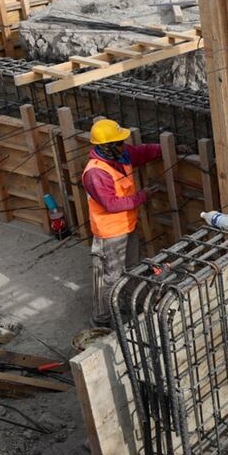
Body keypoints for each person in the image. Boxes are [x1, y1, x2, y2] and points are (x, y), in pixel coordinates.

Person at [83, 119, 163, 327]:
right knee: (110, 277)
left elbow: (140, 152)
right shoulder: (96, 173)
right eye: (119, 142)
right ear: (107, 147)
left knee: (132, 268)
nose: (123, 145)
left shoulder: (120, 155)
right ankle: (102, 320)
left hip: (128, 226)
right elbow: (111, 204)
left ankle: (129, 303)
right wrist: (141, 196)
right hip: (110, 234)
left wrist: (165, 149)